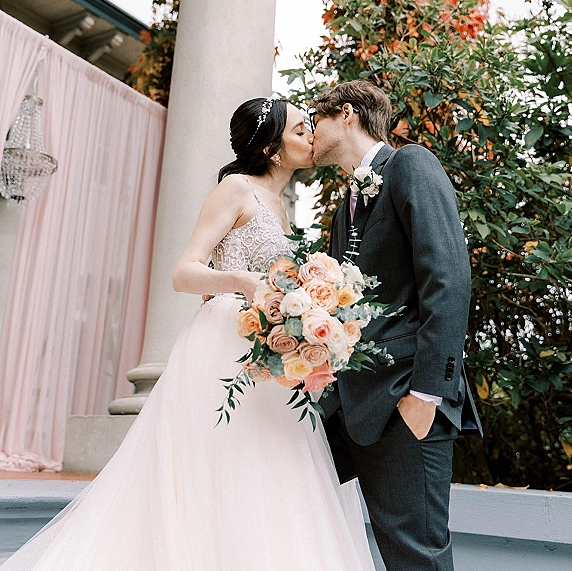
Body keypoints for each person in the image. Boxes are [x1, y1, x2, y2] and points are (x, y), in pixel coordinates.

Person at [2, 97, 375, 571]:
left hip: (267, 350)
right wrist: (242, 282)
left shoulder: (280, 205)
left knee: (263, 466)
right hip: (222, 344)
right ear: (271, 148)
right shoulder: (236, 189)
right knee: (218, 462)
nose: (312, 137)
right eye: (301, 130)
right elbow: (185, 272)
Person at [310, 80, 482, 571]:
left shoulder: (410, 164)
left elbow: (447, 280)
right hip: (357, 406)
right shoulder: (347, 201)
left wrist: (426, 396)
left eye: (314, 121)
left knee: (417, 557)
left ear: (345, 114)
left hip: (407, 399)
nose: (310, 135)